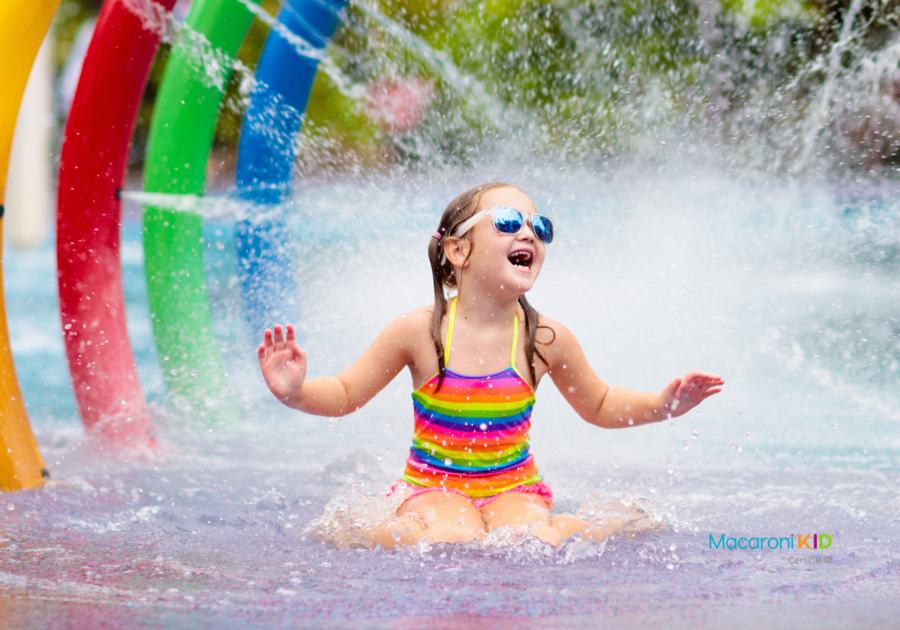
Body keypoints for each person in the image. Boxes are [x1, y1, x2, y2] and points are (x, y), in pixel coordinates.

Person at [258, 182, 724, 549]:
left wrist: (664, 405)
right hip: (434, 485)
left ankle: (583, 526)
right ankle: (362, 532)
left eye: (539, 227)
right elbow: (345, 393)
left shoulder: (545, 339)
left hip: (514, 487)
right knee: (453, 538)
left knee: (532, 540)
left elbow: (600, 404)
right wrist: (295, 393)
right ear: (458, 251)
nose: (528, 233)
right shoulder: (419, 333)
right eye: (506, 222)